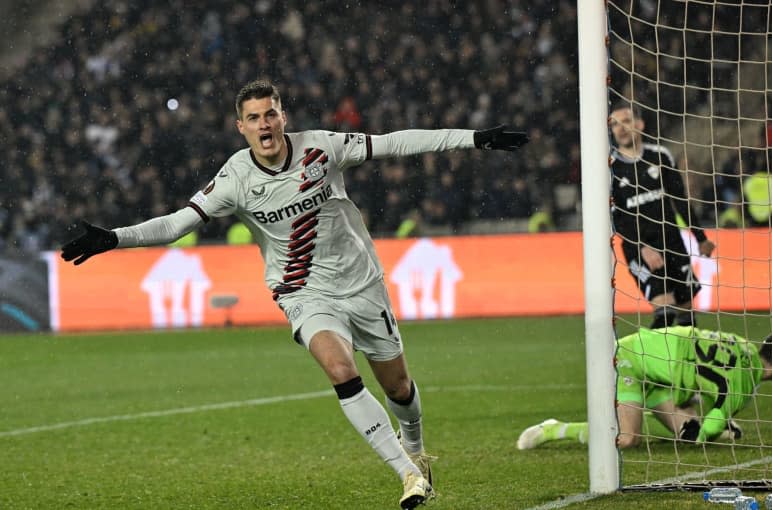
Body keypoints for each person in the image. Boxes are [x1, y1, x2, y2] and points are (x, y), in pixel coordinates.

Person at [60, 79, 529, 509]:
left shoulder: (321, 148)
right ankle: (408, 474)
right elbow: (174, 225)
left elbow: (395, 143)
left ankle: (415, 449)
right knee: (341, 369)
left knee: (399, 388)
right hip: (303, 291)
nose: (264, 124)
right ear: (240, 126)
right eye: (254, 118)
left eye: (271, 114)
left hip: (362, 283)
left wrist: (475, 138)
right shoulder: (234, 179)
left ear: (283, 117)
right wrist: (113, 238)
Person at [516, 326, 772, 449]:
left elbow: (704, 372)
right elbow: (710, 429)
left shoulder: (744, 346)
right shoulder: (744, 386)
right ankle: (556, 429)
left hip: (662, 368)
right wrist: (720, 422)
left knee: (689, 433)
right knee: (627, 439)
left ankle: (639, 407)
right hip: (631, 359)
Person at [609, 103, 715, 329]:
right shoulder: (611, 168)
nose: (621, 129)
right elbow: (615, 218)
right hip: (639, 249)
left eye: (626, 121)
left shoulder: (660, 156)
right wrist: (642, 248)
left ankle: (691, 364)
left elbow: (680, 200)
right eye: (614, 124)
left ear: (640, 124)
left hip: (672, 242)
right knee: (664, 313)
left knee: (686, 315)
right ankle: (652, 363)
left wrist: (701, 237)